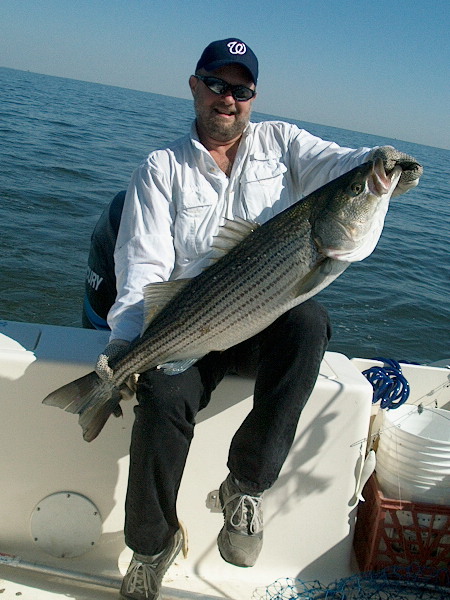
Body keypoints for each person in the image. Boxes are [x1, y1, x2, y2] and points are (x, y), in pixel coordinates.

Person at [89, 39, 421, 600]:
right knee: (164, 398)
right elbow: (143, 265)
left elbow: (340, 167)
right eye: (216, 84)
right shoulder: (162, 167)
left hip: (258, 320)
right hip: (189, 325)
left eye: (240, 90)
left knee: (309, 321)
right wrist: (127, 347)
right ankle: (151, 548)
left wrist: (376, 167)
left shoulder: (282, 143)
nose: (228, 98)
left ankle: (244, 488)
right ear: (195, 86)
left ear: (253, 98)